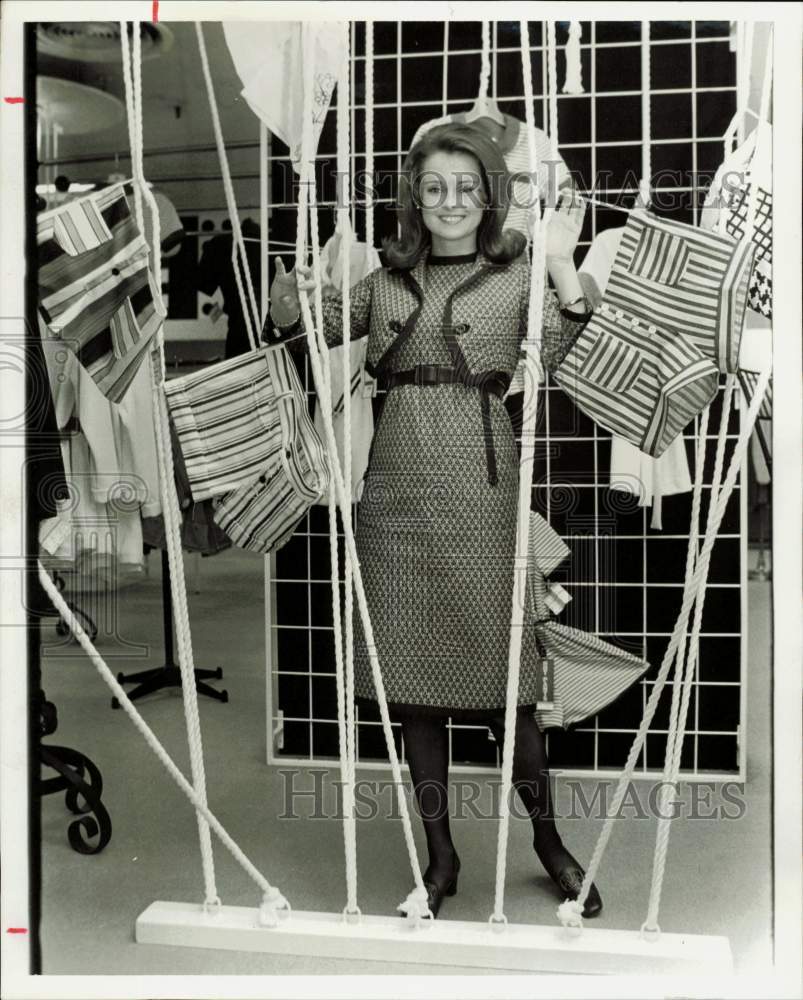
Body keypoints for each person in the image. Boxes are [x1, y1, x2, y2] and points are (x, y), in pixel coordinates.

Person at [266, 123, 602, 920]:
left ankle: (548, 844)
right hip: (395, 502)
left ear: (488, 197)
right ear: (415, 197)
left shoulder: (515, 278)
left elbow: (568, 347)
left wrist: (559, 262)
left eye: (466, 187)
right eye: (434, 187)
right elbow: (303, 331)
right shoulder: (383, 283)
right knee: (415, 693)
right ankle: (440, 857)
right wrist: (284, 306)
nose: (450, 202)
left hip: (482, 500)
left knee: (510, 690)